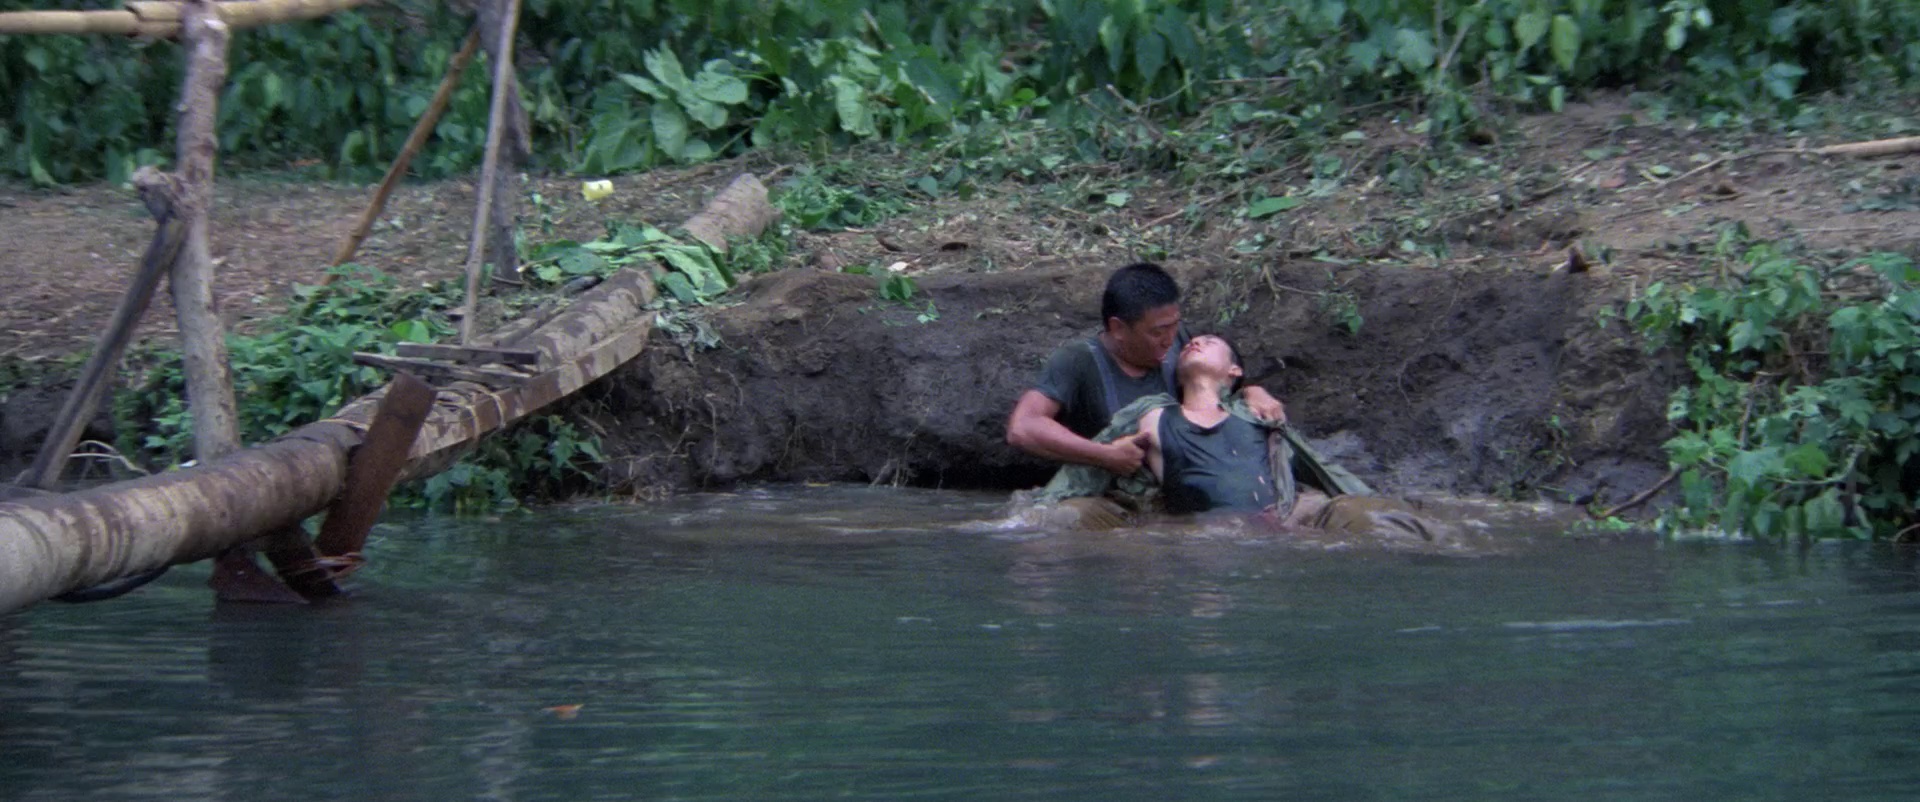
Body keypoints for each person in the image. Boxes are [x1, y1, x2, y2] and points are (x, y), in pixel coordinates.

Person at [1005, 262, 1285, 479]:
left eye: (1175, 325)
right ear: (1118, 329)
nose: (1170, 339)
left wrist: (1252, 392)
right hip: (1114, 489)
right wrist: (1104, 455)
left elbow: (1217, 376)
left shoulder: (1179, 340)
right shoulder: (1078, 360)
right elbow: (1023, 428)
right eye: (1158, 332)